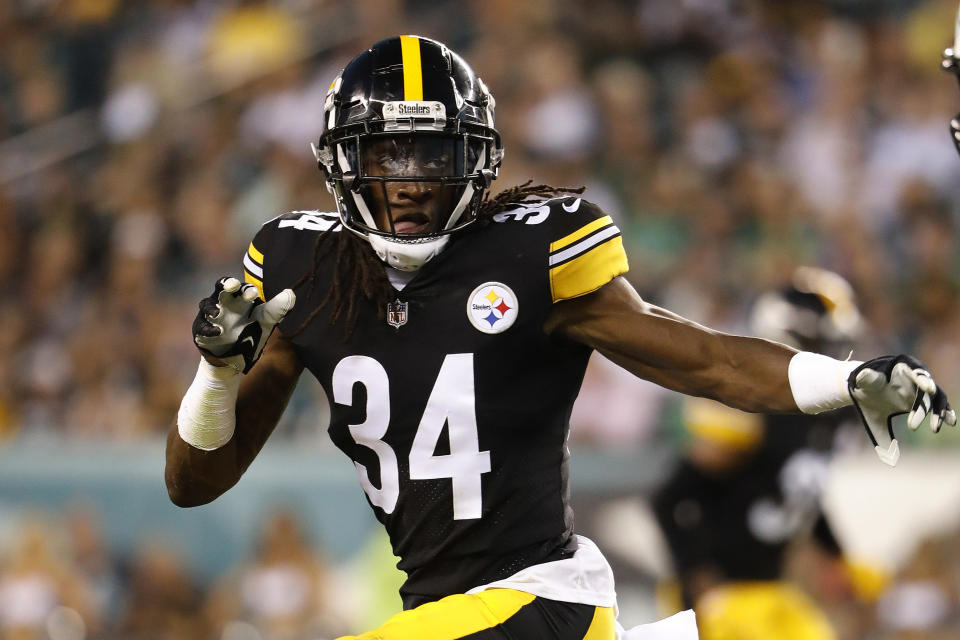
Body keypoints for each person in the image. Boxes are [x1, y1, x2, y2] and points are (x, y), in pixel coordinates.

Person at [166, 35, 955, 640]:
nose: (408, 179)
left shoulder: (530, 251)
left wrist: (842, 380)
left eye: (432, 155)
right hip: (448, 613)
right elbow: (192, 483)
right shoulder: (304, 270)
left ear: (475, 160)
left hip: (542, 599)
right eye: (386, 154)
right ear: (344, 162)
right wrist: (217, 376)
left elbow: (700, 355)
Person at [651, 268, 866, 640]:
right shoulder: (747, 409)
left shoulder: (820, 422)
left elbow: (796, 492)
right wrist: (696, 572)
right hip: (725, 595)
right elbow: (669, 497)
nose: (834, 354)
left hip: (771, 591)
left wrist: (837, 557)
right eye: (827, 341)